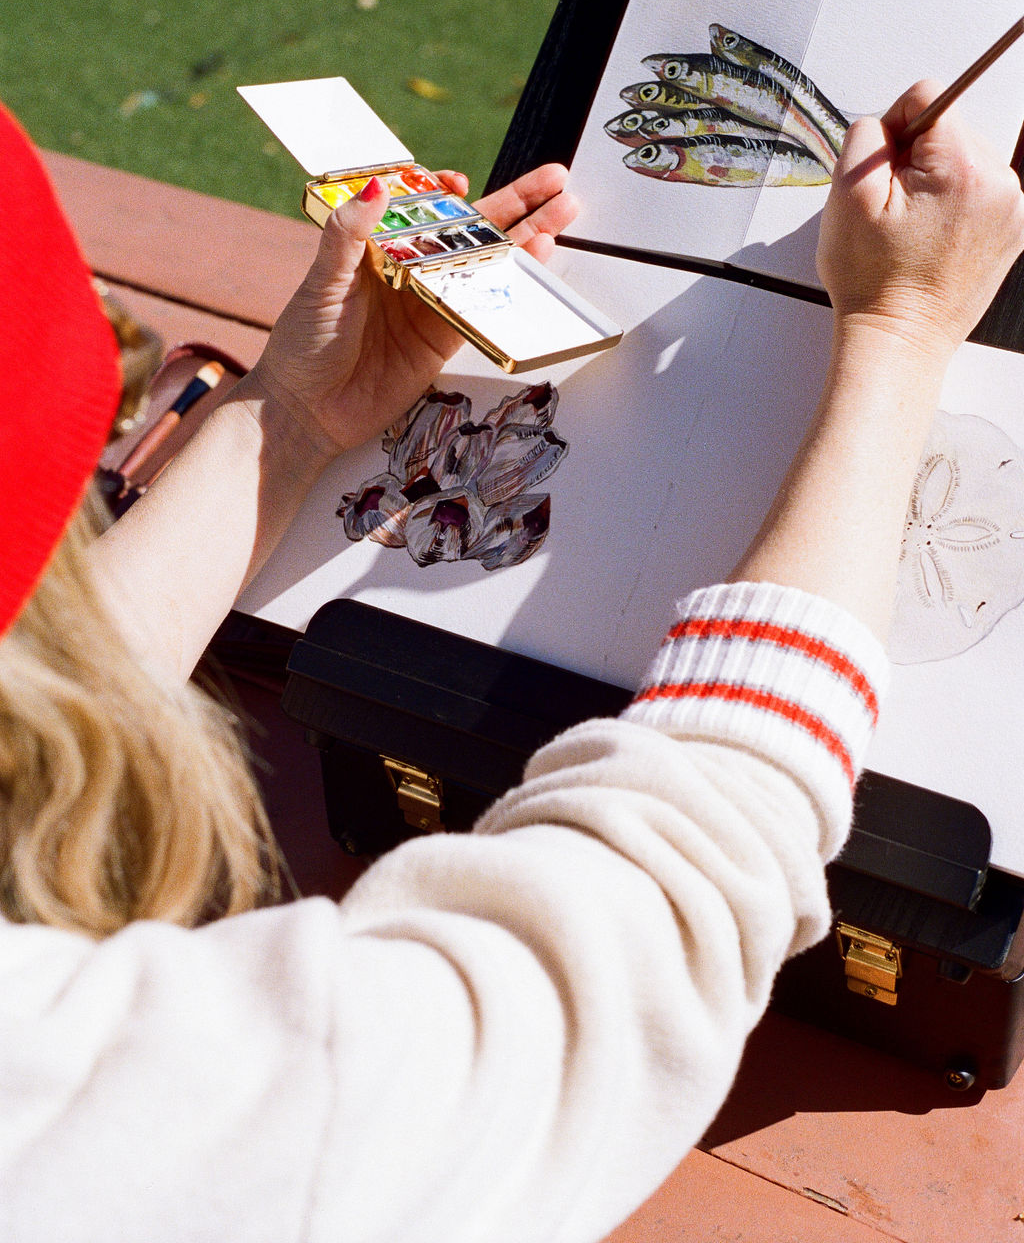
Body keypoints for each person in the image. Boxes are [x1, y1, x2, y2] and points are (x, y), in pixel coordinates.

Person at [0, 80, 1021, 1243]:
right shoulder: (88, 1117)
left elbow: (30, 728)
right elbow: (605, 972)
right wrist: (898, 334)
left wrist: (287, 412)